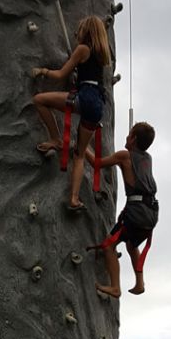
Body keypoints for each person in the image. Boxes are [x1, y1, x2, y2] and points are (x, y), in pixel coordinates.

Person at [32, 15, 111, 210]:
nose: (77, 33)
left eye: (81, 29)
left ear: (87, 32)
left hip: (85, 98)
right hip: (97, 105)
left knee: (40, 100)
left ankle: (55, 139)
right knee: (80, 154)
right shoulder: (101, 55)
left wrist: (43, 71)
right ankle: (74, 199)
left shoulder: (82, 49)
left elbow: (60, 74)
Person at [85, 121, 158, 297]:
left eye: (129, 134)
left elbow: (97, 163)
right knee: (132, 244)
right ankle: (140, 283)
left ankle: (115, 287)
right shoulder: (147, 158)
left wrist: (83, 145)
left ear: (133, 139)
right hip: (151, 212)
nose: (126, 136)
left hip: (137, 213)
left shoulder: (124, 156)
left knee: (109, 245)